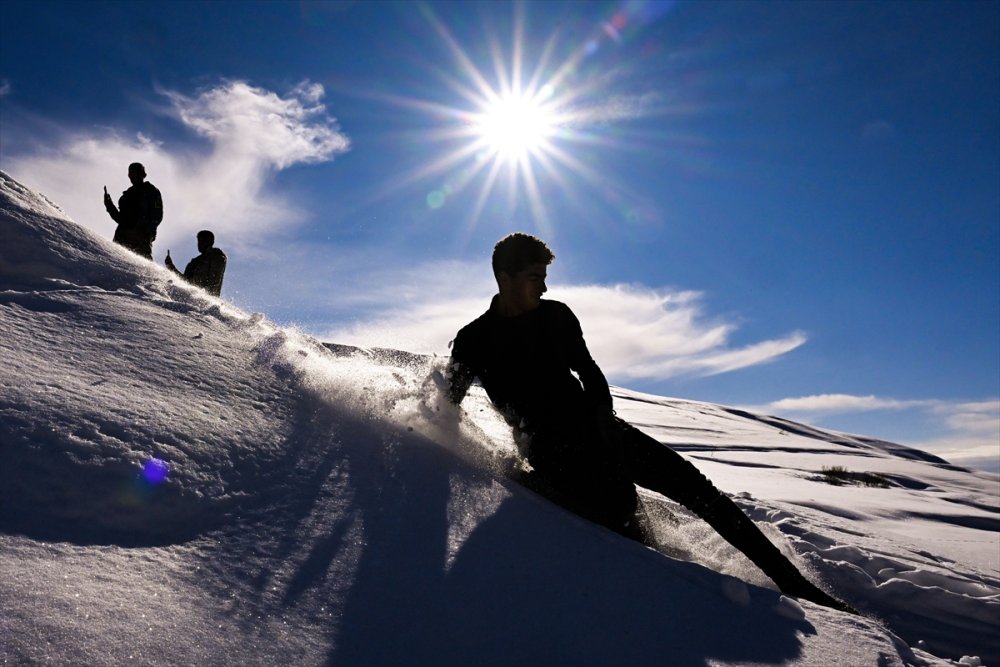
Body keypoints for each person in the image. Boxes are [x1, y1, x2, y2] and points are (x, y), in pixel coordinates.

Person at [447, 232, 855, 613]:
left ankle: (794, 582)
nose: (545, 287)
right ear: (505, 277)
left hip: (602, 433)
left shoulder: (556, 316)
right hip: (558, 460)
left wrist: (604, 418)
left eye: (545, 277)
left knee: (700, 490)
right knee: (637, 537)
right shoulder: (474, 341)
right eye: (536, 277)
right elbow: (444, 408)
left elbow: (589, 372)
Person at [103, 162, 163, 259]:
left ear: (142, 174)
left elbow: (157, 215)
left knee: (142, 268)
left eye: (136, 173)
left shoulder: (151, 191)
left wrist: (147, 232)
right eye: (131, 174)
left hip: (141, 238)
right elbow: (120, 219)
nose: (133, 176)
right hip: (122, 237)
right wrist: (109, 205)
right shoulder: (126, 196)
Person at [165, 230, 227, 296]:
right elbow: (185, 281)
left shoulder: (216, 256)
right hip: (190, 296)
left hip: (204, 298)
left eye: (202, 241)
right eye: (199, 241)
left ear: (210, 242)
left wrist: (207, 295)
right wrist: (171, 267)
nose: (199, 244)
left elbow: (214, 282)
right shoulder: (194, 262)